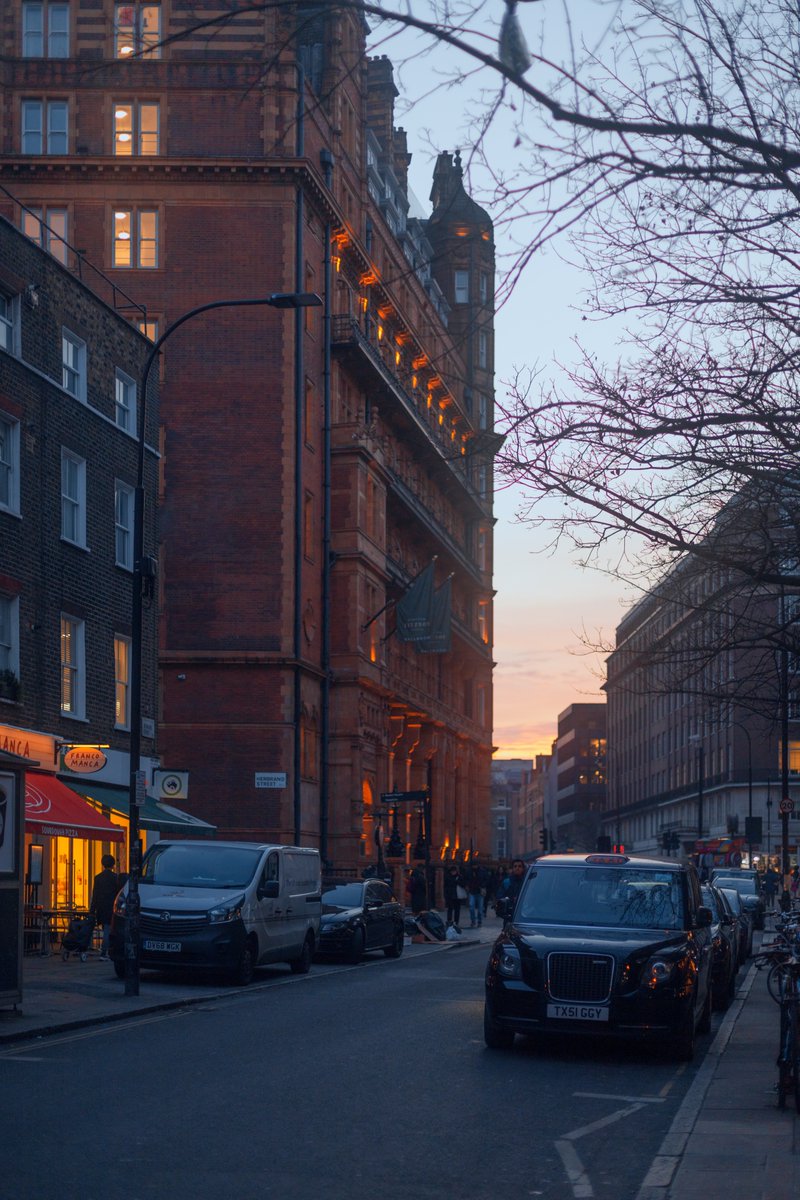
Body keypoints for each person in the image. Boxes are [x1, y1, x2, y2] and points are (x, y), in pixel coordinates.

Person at [89, 854, 120, 960]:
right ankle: (104, 952)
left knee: (105, 928)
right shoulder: (115, 878)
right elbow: (118, 893)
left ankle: (103, 950)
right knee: (107, 930)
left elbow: (95, 895)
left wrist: (92, 910)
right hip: (111, 907)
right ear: (113, 865)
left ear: (102, 864)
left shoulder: (98, 878)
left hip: (100, 908)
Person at [466, 861, 487, 928]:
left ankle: (479, 922)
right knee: (472, 907)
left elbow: (486, 879)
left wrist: (483, 885)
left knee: (480, 909)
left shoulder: (482, 871)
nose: (474, 867)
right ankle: (473, 921)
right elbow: (466, 879)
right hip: (472, 891)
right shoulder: (469, 871)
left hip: (479, 891)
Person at [443, 863, 465, 929]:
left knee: (457, 910)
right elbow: (445, 886)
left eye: (454, 871)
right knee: (450, 909)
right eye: (452, 871)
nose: (453, 872)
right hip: (450, 895)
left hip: (457, 895)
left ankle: (456, 922)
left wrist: (458, 882)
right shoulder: (447, 877)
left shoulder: (459, 877)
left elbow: (463, 884)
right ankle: (449, 922)